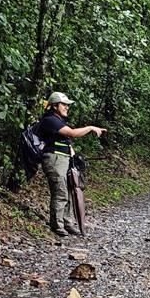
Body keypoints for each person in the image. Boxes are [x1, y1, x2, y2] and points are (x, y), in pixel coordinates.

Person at [38, 92, 106, 236]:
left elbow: (65, 140)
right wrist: (90, 128)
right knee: (60, 192)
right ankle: (57, 225)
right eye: (64, 104)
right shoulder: (50, 120)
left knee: (69, 191)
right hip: (55, 160)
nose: (67, 107)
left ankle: (68, 223)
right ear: (55, 106)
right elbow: (72, 133)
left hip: (64, 159)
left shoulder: (58, 120)